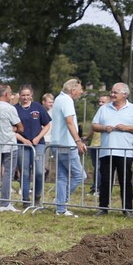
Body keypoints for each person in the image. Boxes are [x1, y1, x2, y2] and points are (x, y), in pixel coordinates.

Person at [92, 82, 133, 216]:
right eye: (112, 92)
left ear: (125, 94)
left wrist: (127, 128)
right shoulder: (104, 108)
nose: (112, 94)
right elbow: (94, 125)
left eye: (115, 92)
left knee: (125, 181)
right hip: (106, 151)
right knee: (105, 181)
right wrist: (104, 128)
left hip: (125, 152)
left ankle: (127, 209)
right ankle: (103, 208)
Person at [48, 79, 87, 217]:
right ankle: (61, 201)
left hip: (56, 143)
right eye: (80, 90)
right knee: (80, 175)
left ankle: (60, 208)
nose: (81, 92)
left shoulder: (58, 99)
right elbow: (69, 122)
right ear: (73, 90)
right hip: (66, 144)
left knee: (62, 177)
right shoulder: (67, 101)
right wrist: (78, 141)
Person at [13, 84, 51, 209]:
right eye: (23, 95)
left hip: (38, 144)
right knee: (24, 172)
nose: (25, 98)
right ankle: (25, 199)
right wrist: (23, 140)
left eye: (27, 95)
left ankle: (37, 196)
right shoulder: (15, 109)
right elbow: (11, 129)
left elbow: (47, 125)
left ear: (31, 95)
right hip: (22, 144)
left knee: (39, 171)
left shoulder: (37, 107)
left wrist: (38, 137)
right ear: (19, 95)